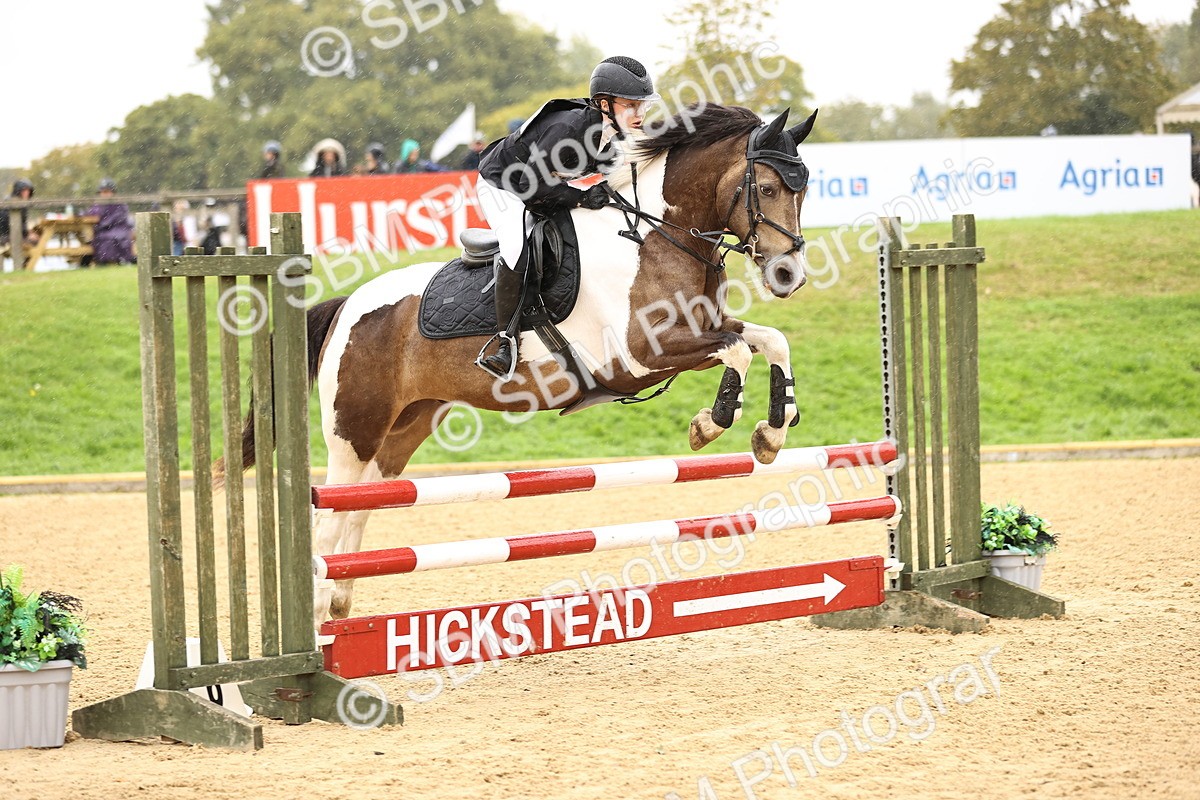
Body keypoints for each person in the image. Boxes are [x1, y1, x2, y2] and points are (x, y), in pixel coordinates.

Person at [474, 55, 657, 379]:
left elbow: (620, 174)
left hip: (540, 185)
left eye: (642, 105)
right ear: (604, 103)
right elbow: (533, 189)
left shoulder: (611, 134)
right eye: (631, 105)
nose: (640, 114)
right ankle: (504, 341)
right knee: (519, 245)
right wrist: (583, 196)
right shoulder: (568, 129)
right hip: (502, 186)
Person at [86, 179, 134, 265]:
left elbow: (117, 218)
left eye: (107, 191)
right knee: (95, 238)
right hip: (102, 230)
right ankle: (101, 261)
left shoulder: (119, 204)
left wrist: (102, 224)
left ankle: (115, 260)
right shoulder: (97, 205)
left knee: (111, 237)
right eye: (103, 192)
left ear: (113, 192)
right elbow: (89, 214)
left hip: (118, 228)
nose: (105, 194)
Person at [0, 179, 38, 249]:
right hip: (6, 237)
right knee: (35, 241)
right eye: (24, 190)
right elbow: (9, 224)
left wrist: (28, 232)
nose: (27, 193)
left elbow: (21, 223)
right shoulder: (13, 203)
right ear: (18, 191)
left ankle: (26, 259)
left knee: (36, 238)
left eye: (28, 191)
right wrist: (27, 234)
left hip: (10, 235)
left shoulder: (20, 203)